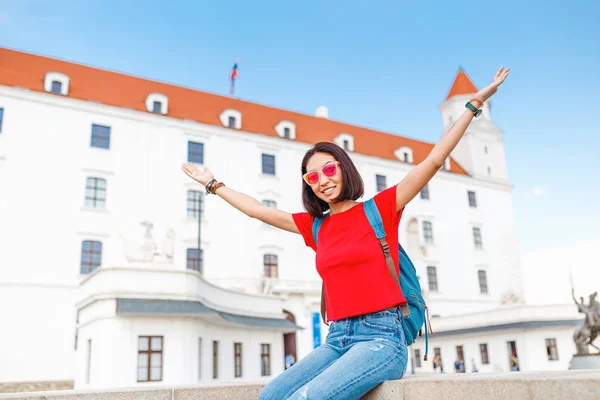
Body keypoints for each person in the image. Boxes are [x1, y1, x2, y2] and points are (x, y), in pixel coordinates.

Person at [182, 67, 510, 400]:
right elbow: (257, 210)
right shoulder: (316, 226)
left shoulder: (380, 208)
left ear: (343, 168)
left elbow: (436, 159)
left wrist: (472, 106)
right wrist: (212, 183)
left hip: (383, 338)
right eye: (312, 177)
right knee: (270, 396)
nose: (322, 180)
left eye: (328, 169)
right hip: (336, 338)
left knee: (311, 398)